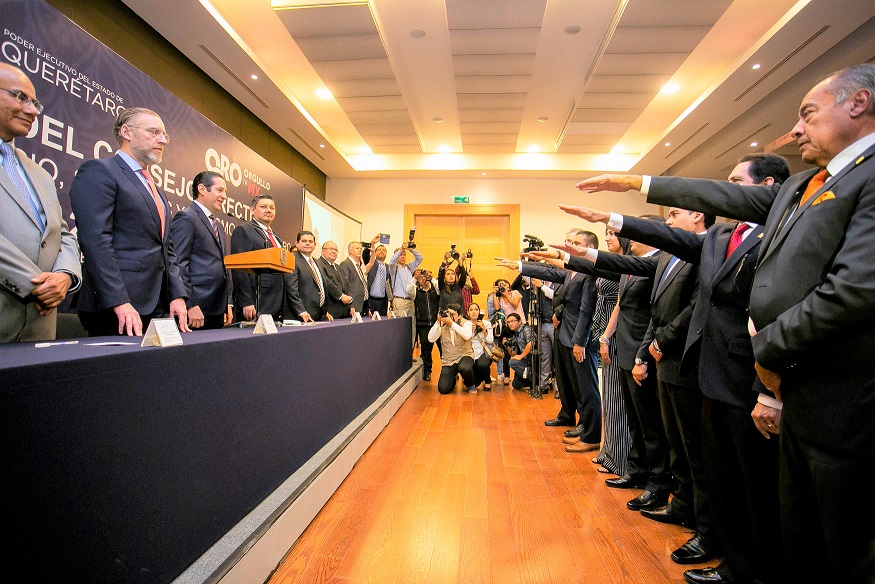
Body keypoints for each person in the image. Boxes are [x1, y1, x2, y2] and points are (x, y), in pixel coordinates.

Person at [574, 63, 875, 584]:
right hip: (781, 380)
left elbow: (855, 290)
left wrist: (767, 346)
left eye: (807, 113)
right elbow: (722, 197)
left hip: (836, 390)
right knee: (796, 526)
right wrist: (639, 183)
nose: (797, 129)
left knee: (842, 543)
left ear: (858, 103)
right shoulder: (807, 184)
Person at [565, 152, 791, 584]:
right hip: (711, 373)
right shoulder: (724, 236)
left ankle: (752, 566)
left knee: (752, 481)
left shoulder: (777, 232)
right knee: (717, 469)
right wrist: (613, 220)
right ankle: (728, 551)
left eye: (734, 179)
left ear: (766, 188)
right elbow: (640, 259)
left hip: (749, 375)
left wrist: (628, 193)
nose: (725, 186)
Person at [567, 207, 721, 565]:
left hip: (678, 358)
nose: (667, 222)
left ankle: (683, 505)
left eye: (673, 215)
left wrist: (656, 344)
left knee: (680, 440)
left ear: (697, 217)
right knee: (661, 431)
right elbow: (655, 306)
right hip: (650, 349)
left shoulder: (701, 252)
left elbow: (691, 308)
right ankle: (674, 498)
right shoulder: (667, 257)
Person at [70, 107, 189, 336]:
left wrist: (176, 294)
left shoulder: (154, 187)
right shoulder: (100, 171)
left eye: (164, 135)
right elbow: (96, 241)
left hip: (154, 306)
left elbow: (167, 247)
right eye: (153, 132)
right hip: (116, 308)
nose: (162, 140)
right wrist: (119, 301)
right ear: (126, 132)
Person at [0, 64, 81, 343]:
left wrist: (65, 275)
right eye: (20, 97)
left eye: (35, 103)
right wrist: (36, 284)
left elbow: (63, 234)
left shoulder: (40, 174)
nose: (33, 110)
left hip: (40, 328)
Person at [169, 171, 232, 330]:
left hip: (216, 309)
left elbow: (222, 266)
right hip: (196, 309)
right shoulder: (187, 217)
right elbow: (178, 263)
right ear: (202, 189)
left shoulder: (218, 226)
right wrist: (190, 304)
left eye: (225, 192)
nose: (224, 196)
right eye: (220, 190)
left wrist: (226, 304)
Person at [592, 229, 632, 477]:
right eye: (606, 233)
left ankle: (619, 457)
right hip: (605, 332)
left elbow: (620, 303)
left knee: (617, 399)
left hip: (616, 333)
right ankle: (608, 450)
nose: (607, 237)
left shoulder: (625, 264)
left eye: (613, 233)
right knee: (607, 394)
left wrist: (606, 336)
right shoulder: (615, 261)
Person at [229, 194, 286, 322]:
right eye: (263, 207)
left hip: (276, 301)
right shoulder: (244, 230)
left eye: (272, 207)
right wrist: (246, 301)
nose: (268, 210)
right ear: (252, 209)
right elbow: (239, 268)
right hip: (257, 301)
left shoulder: (275, 236)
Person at [427, 302, 475, 394]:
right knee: (443, 389)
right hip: (449, 360)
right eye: (448, 314)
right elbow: (430, 338)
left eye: (453, 314)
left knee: (465, 368)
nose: (450, 317)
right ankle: (452, 378)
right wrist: (437, 322)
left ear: (460, 316)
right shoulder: (442, 325)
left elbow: (467, 336)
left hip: (465, 355)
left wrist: (452, 323)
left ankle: (470, 384)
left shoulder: (466, 323)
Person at [287, 230, 335, 322]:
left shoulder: (317, 262)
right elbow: (291, 288)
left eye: (310, 241)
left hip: (318, 314)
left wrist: (324, 311)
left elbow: (321, 287)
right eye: (304, 241)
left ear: (315, 245)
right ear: (296, 243)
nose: (307, 244)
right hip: (301, 316)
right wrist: (301, 311)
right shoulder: (292, 259)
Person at [408, 268, 440, 381]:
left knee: (443, 349)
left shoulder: (435, 290)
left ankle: (450, 371)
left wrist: (431, 278)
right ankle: (427, 371)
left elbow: (440, 287)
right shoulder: (416, 291)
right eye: (421, 278)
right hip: (423, 325)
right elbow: (408, 290)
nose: (423, 279)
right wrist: (414, 278)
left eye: (425, 277)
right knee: (426, 351)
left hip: (437, 324)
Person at [337, 237, 378, 316]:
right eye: (357, 248)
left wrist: (372, 252)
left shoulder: (358, 266)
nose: (360, 250)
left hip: (362, 304)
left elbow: (371, 263)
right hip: (352, 306)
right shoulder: (346, 264)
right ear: (350, 251)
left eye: (360, 248)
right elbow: (345, 286)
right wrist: (350, 305)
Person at [316, 241, 354, 319]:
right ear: (323, 251)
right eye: (331, 249)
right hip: (330, 312)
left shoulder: (338, 267)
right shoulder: (318, 264)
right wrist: (341, 296)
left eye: (336, 250)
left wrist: (350, 301)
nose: (334, 251)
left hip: (344, 312)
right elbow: (327, 283)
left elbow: (347, 285)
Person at [504, 313, 535, 392]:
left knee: (512, 362)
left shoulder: (526, 329)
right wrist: (506, 345)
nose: (510, 324)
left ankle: (535, 380)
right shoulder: (515, 334)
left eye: (512, 321)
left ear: (520, 321)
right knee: (516, 384)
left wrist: (521, 356)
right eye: (508, 322)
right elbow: (514, 354)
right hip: (525, 361)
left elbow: (531, 343)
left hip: (533, 360)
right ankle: (532, 380)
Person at [467, 302, 494, 390]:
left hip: (484, 351)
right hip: (470, 352)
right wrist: (471, 330)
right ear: (468, 313)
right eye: (471, 310)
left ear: (479, 312)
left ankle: (487, 381)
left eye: (476, 309)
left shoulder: (486, 323)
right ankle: (480, 377)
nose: (474, 312)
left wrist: (483, 329)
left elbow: (490, 340)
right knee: (471, 383)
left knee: (482, 364)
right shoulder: (466, 324)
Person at [366, 244, 391, 316]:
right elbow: (365, 254)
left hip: (383, 301)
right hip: (371, 300)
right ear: (375, 252)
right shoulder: (371, 264)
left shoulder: (388, 267)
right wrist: (372, 245)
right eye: (379, 250)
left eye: (384, 250)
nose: (381, 251)